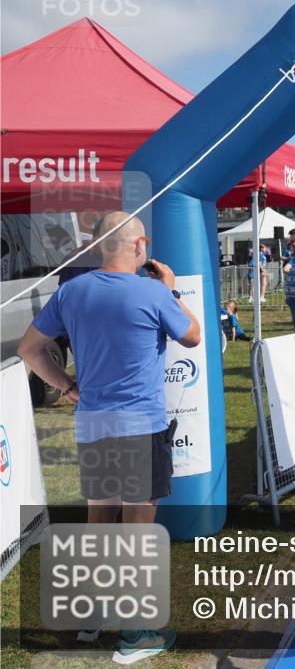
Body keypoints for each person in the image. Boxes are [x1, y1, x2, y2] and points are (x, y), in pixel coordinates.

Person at [17, 211, 201, 663]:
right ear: (140, 245)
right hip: (139, 425)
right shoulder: (152, 292)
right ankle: (136, 634)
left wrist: (67, 386)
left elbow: (29, 350)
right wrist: (171, 288)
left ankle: (91, 614)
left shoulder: (71, 292)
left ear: (100, 246)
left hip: (94, 424)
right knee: (138, 529)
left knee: (100, 522)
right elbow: (194, 336)